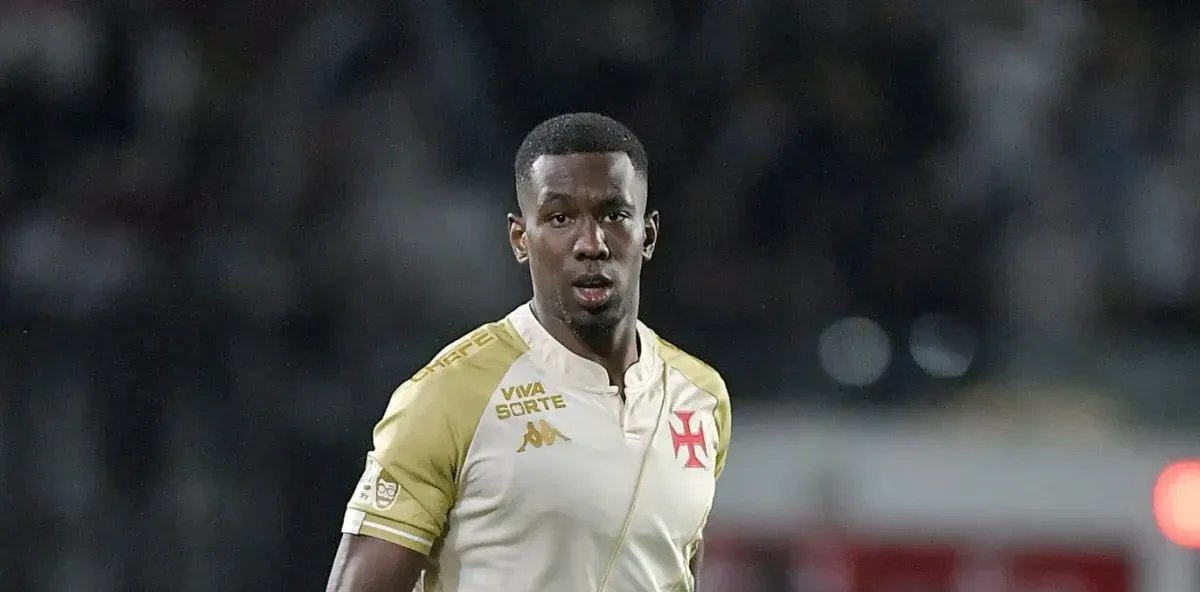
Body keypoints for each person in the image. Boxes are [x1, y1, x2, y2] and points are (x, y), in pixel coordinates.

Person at [325, 112, 732, 591]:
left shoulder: (700, 397)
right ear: (521, 239)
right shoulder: (449, 395)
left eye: (614, 215)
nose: (591, 244)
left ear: (649, 235)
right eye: (560, 218)